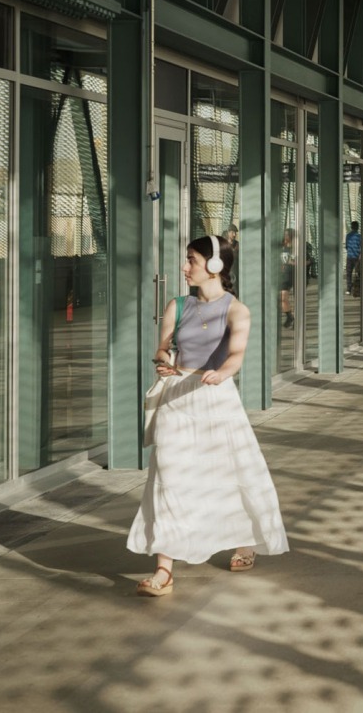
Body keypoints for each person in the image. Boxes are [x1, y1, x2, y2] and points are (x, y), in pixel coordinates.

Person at [129, 234, 288, 596]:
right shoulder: (178, 304)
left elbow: (235, 355)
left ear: (214, 266)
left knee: (228, 473)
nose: (184, 268)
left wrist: (222, 373)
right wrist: (163, 361)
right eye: (186, 260)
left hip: (215, 398)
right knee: (169, 476)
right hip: (177, 397)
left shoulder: (237, 310)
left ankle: (245, 540)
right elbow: (163, 347)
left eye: (191, 261)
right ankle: (164, 570)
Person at [279, 227, 296, 328]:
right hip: (283, 276)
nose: (285, 237)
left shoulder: (295, 248)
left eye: (287, 235)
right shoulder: (282, 247)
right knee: (283, 298)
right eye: (284, 235)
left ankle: (294, 318)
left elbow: (301, 261)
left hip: (293, 275)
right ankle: (289, 316)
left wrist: (290, 262)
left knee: (295, 299)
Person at [345, 220, 363, 297]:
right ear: (357, 227)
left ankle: (349, 289)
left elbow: (346, 246)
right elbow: (361, 247)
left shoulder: (348, 236)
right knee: (358, 273)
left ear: (351, 227)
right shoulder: (359, 236)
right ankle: (359, 288)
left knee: (349, 273)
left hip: (349, 256)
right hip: (357, 257)